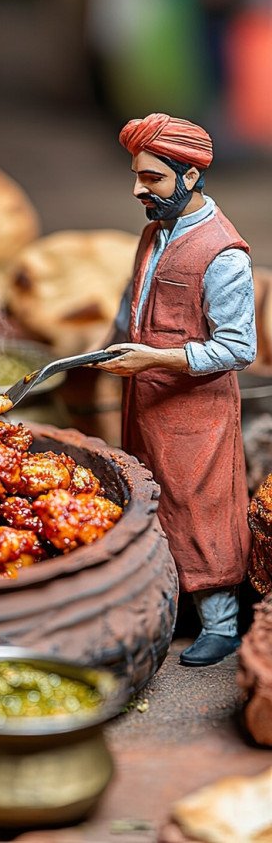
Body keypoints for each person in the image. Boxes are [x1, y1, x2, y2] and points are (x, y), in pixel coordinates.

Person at [102, 112, 256, 667]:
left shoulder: (223, 255)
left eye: (153, 179)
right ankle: (174, 607)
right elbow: (133, 301)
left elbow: (239, 349)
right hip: (145, 403)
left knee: (202, 508)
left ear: (190, 176)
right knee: (151, 497)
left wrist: (156, 358)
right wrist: (105, 345)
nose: (139, 189)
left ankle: (222, 622)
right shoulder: (155, 233)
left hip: (196, 410)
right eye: (139, 175)